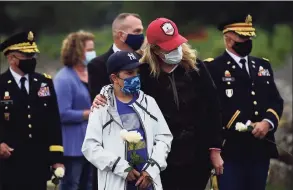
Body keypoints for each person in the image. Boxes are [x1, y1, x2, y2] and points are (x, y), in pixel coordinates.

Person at [92, 18, 224, 190]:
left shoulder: (195, 67)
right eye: (169, 47)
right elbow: (120, 89)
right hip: (160, 156)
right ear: (154, 49)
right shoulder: (144, 71)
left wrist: (215, 149)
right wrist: (102, 96)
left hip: (196, 153)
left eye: (177, 44)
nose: (175, 50)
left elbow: (213, 108)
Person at [204, 14, 284, 190]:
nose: (247, 40)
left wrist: (267, 123)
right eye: (242, 36)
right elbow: (209, 110)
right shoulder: (213, 68)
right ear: (228, 39)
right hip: (230, 150)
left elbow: (275, 100)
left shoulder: (262, 65)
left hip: (259, 149)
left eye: (249, 36)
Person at [82, 51, 173, 190]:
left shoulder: (149, 103)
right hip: (116, 182)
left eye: (137, 72)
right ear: (114, 78)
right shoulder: (101, 106)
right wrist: (121, 168)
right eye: (129, 73)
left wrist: (151, 170)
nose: (135, 77)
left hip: (148, 182)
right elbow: (90, 147)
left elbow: (164, 138)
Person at [0, 31, 64, 190]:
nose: (31, 60)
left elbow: (52, 120)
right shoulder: (1, 84)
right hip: (9, 161)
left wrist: (57, 158)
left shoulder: (43, 83)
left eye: (33, 56)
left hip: (38, 160)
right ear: (11, 58)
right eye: (26, 57)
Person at [53, 30, 94, 190]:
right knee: (72, 185)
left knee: (89, 185)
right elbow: (62, 113)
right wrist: (88, 114)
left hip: (90, 144)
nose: (93, 53)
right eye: (89, 50)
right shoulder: (63, 79)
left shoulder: (90, 74)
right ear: (76, 51)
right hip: (72, 146)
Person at [87, 12, 145, 101]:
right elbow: (99, 102)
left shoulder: (143, 60)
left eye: (141, 31)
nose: (141, 35)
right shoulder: (97, 65)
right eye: (137, 31)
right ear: (121, 35)